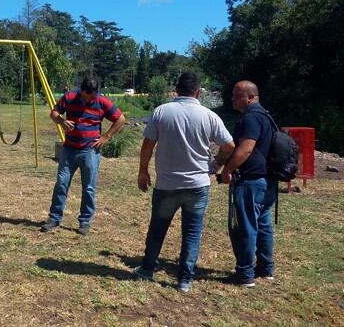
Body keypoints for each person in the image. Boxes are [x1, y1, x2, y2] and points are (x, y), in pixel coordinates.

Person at [133, 72, 235, 292]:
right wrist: (216, 164)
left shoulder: (161, 111)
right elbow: (229, 146)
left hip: (167, 185)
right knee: (192, 232)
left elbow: (147, 146)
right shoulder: (209, 116)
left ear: (176, 89)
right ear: (198, 92)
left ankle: (147, 268)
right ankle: (184, 280)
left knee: (157, 229)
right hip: (198, 185)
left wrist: (143, 171)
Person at [40, 76, 126, 235]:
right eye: (86, 97)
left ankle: (85, 221)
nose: (88, 100)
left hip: (90, 151)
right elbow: (53, 113)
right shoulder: (69, 97)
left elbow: (120, 119)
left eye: (91, 97)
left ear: (96, 93)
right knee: (61, 182)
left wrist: (106, 137)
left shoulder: (102, 102)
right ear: (81, 91)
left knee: (89, 188)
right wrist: (61, 121)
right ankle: (54, 218)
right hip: (69, 149)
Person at [221, 80, 278, 287]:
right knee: (263, 224)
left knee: (246, 226)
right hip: (268, 180)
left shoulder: (251, 118)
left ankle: (246, 274)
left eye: (238, 96)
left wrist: (227, 170)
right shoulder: (266, 116)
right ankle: (266, 268)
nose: (233, 99)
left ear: (251, 97)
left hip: (251, 180)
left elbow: (245, 149)